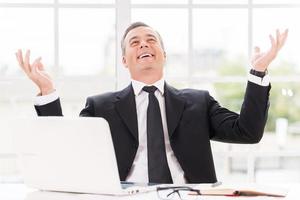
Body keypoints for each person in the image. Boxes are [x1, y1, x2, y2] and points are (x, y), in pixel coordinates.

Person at [16, 22, 288, 184]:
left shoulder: (198, 102)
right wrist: (48, 91)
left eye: (151, 40)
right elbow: (70, 153)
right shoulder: (100, 107)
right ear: (124, 60)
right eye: (134, 42)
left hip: (188, 195)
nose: (144, 45)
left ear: (163, 54)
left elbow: (248, 132)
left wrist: (258, 72)